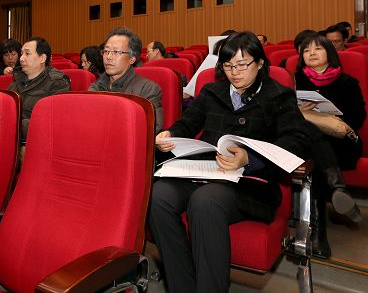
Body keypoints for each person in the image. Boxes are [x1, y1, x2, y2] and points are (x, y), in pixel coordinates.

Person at [149, 31, 310, 293]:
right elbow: (187, 124)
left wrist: (250, 158)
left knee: (205, 202)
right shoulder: (212, 91)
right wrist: (170, 135)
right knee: (159, 197)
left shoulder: (278, 95)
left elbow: (298, 140)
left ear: (260, 63)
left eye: (242, 65)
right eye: (228, 65)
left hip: (249, 184)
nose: (235, 72)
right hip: (206, 171)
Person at [295, 34, 364, 256]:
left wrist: (329, 114)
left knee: (315, 163)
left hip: (342, 142)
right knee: (312, 136)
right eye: (306, 50)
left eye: (318, 48)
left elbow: (358, 119)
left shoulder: (347, 82)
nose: (311, 53)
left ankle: (318, 236)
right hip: (307, 140)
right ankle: (338, 189)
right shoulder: (295, 81)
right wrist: (302, 111)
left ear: (330, 53)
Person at [90, 28, 164, 134]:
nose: (108, 57)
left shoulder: (148, 89)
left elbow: (151, 130)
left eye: (116, 52)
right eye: (106, 51)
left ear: (132, 59)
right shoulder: (95, 88)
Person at [9, 37, 70, 140]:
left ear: (42, 58)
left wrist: (11, 125)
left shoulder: (57, 83)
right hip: (11, 137)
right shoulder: (16, 80)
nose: (21, 58)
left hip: (36, 140)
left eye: (27, 53)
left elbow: (50, 122)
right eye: (21, 53)